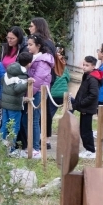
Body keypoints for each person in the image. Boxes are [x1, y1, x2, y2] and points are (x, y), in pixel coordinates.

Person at [21, 34, 54, 159]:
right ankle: (30, 145)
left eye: (30, 45)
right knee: (26, 119)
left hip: (38, 92)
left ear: (38, 46)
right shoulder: (33, 58)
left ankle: (35, 148)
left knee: (34, 119)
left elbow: (38, 79)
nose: (28, 47)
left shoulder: (44, 60)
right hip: (30, 92)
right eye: (27, 44)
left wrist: (29, 93)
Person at [29, 17, 56, 149]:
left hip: (40, 83)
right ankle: (45, 138)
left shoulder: (42, 44)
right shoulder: (49, 41)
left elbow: (42, 69)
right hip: (46, 80)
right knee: (43, 112)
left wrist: (31, 90)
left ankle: (40, 141)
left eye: (31, 26)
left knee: (38, 114)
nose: (29, 28)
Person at [0, 52, 33, 154]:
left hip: (5, 104)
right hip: (14, 105)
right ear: (29, 63)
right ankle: (11, 148)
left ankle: (0, 146)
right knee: (14, 127)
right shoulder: (21, 76)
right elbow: (17, 89)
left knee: (5, 125)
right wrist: (28, 82)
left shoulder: (8, 73)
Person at [71, 56, 103, 159]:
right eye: (83, 65)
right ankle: (87, 149)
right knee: (84, 129)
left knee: (86, 130)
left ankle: (90, 150)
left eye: (87, 65)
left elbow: (94, 94)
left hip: (87, 108)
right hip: (84, 107)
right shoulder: (87, 75)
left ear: (93, 66)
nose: (84, 67)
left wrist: (82, 103)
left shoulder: (92, 78)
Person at [49, 45, 71, 133]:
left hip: (52, 95)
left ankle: (47, 134)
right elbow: (68, 79)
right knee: (71, 107)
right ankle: (66, 129)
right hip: (63, 95)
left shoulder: (50, 68)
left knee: (49, 115)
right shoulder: (64, 69)